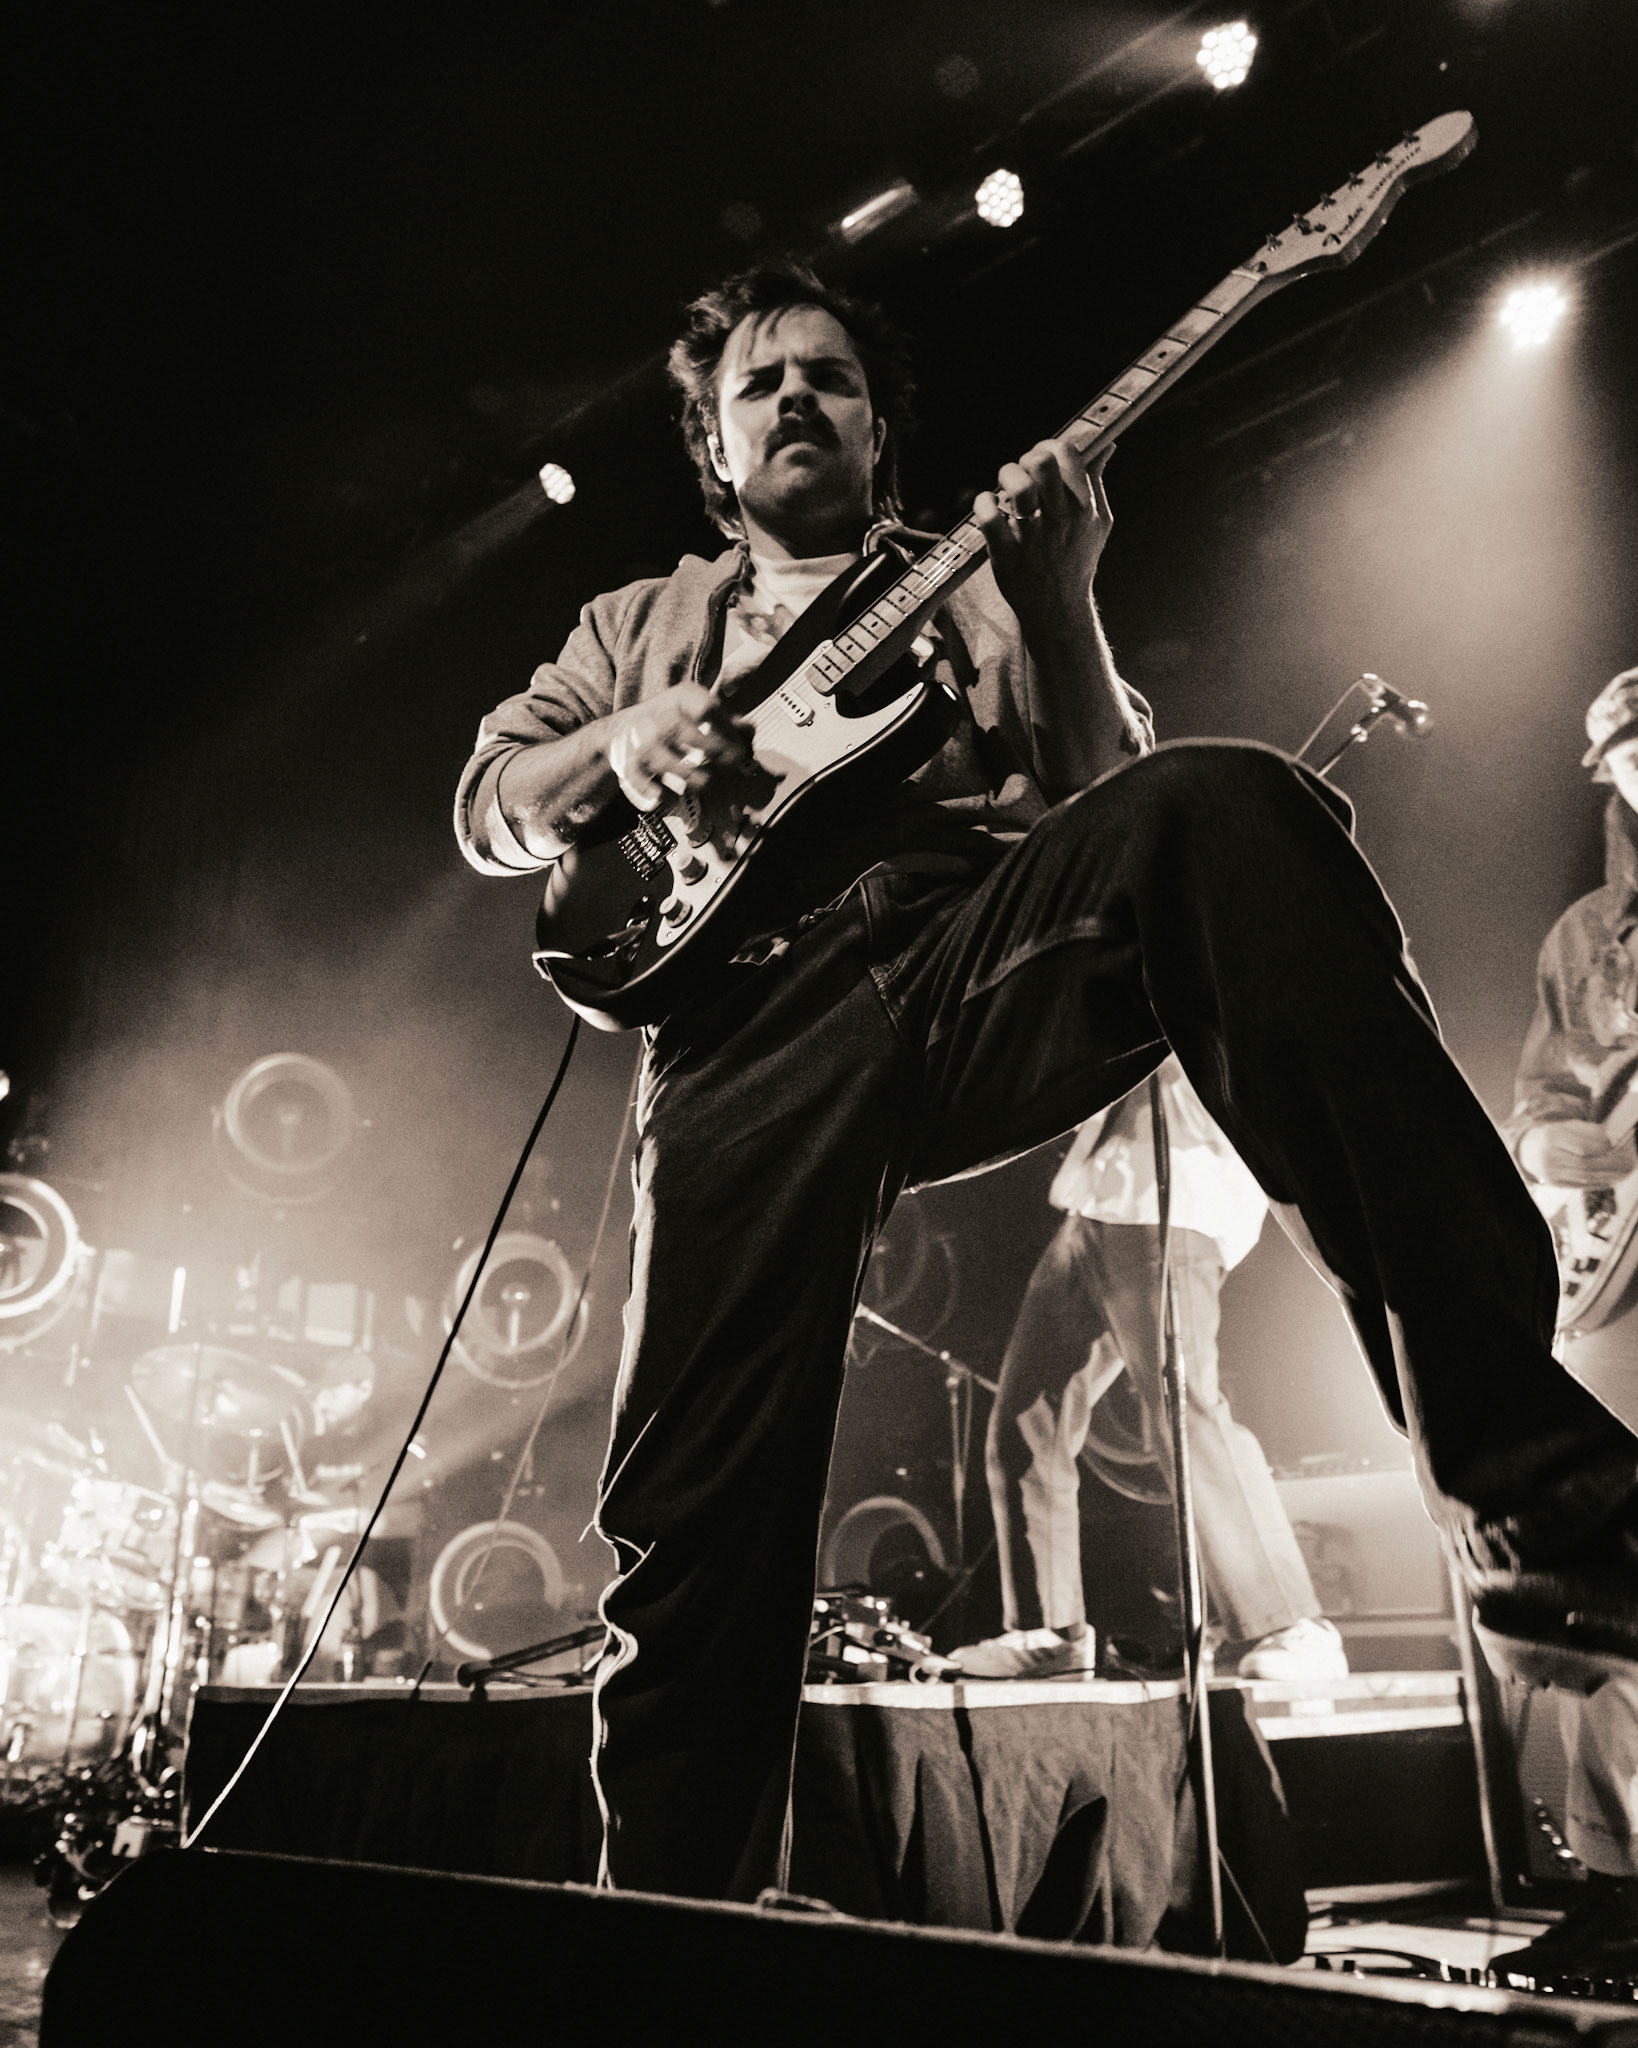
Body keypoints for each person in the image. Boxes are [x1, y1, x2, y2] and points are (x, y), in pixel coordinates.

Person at [455, 259, 1638, 1904]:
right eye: (759, 383)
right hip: (740, 1037)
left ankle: (1528, 1490)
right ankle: (672, 1929)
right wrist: (625, 744)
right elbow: (493, 804)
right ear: (713, 448)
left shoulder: (965, 593)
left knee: (1227, 810)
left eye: (830, 378)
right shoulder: (636, 623)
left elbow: (1109, 806)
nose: (796, 398)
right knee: (695, 1514)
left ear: (878, 432)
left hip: (951, 968)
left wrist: (1063, 595)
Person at [950, 1055, 1346, 1683]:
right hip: (1093, 1205)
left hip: (1176, 1196)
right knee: (1026, 1424)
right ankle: (1050, 1633)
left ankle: (1291, 1623)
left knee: (1182, 1412)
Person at [1499, 668, 1638, 1984]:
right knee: (1607, 1585)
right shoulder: (1587, 931)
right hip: (1613, 1289)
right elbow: (1540, 1092)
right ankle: (1617, 1884)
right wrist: (1553, 1144)